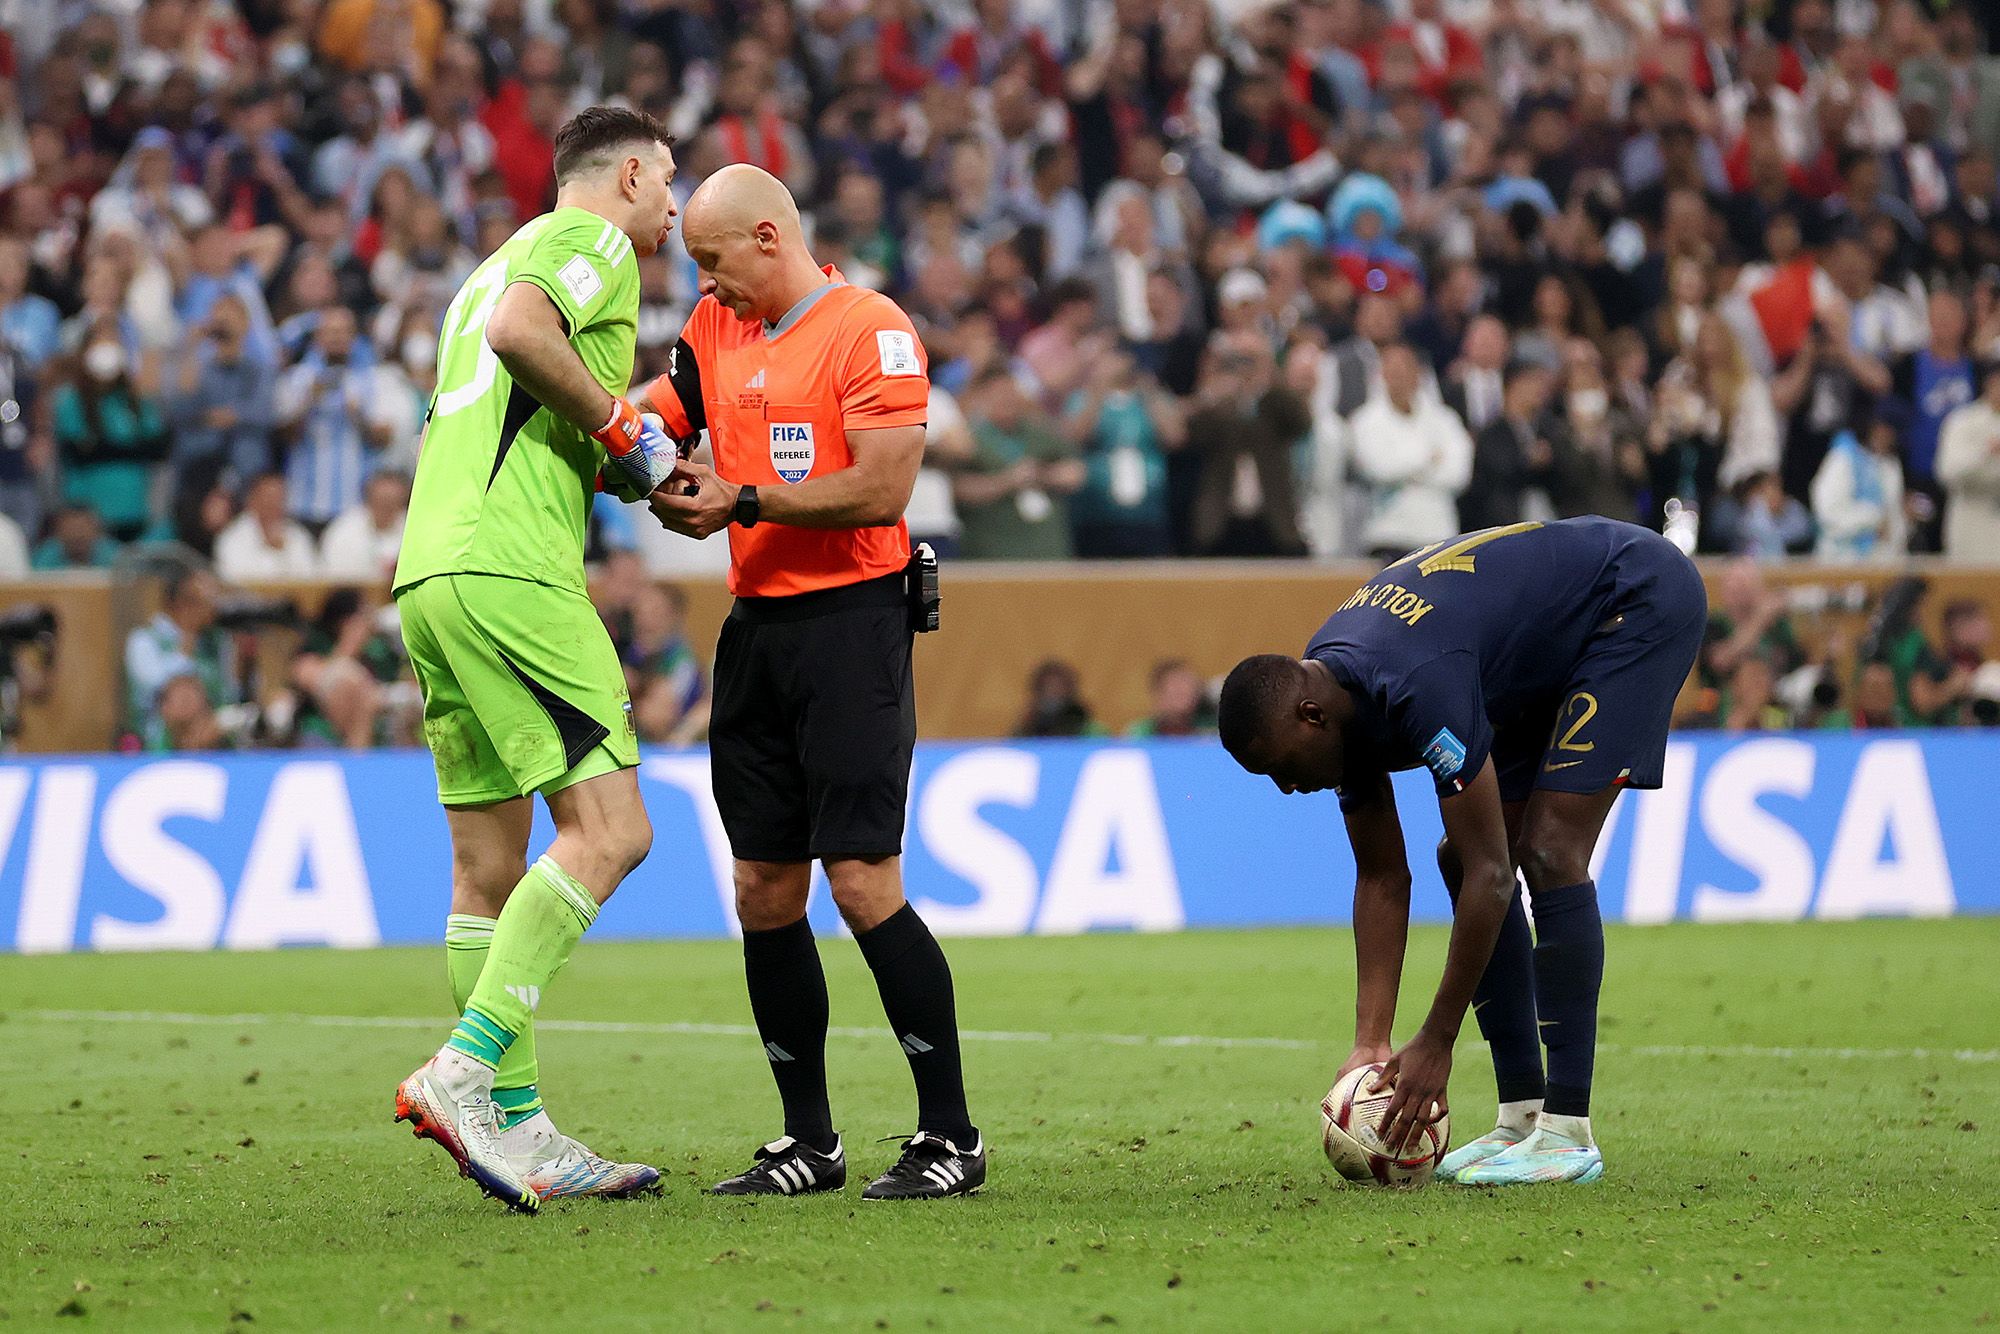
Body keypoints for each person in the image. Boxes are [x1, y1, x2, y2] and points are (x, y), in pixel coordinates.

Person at [636, 163, 986, 1200]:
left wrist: (742, 497)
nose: (704, 283)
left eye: (712, 261)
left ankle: (950, 1137)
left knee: (864, 882)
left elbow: (883, 486)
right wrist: (612, 440)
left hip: (850, 624)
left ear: (765, 236)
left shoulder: (868, 328)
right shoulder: (714, 330)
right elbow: (654, 417)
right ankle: (809, 1141)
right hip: (756, 630)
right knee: (761, 888)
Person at [1217, 517, 1708, 1186]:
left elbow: (1495, 875)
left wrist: (1436, 1041)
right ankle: (1522, 1117)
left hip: (1630, 599)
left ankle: (1567, 1132)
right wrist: (1372, 1039)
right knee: (1462, 856)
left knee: (1546, 849)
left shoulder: (1415, 683)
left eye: (1281, 767)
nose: (1289, 787)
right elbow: (1383, 875)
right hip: (1533, 652)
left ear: (1311, 717)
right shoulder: (1333, 691)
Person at [390, 107, 685, 1213]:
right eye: (666, 185)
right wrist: (623, 425)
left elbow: (511, 389)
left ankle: (512, 1127)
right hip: (513, 573)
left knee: (484, 867)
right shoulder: (589, 241)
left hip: (432, 571)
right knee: (614, 830)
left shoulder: (485, 268)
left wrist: (627, 467)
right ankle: (462, 1070)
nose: (670, 212)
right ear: (629, 172)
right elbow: (529, 338)